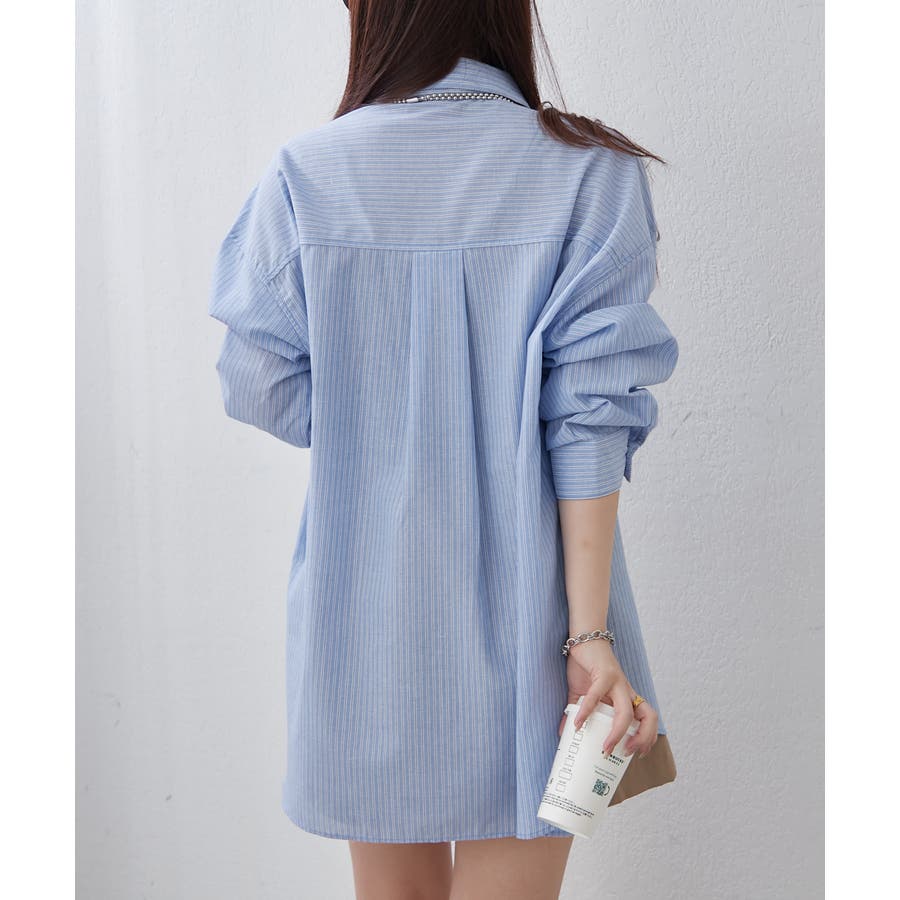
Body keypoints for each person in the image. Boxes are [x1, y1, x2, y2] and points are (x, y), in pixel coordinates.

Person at [208, 2, 680, 898]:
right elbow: (590, 417)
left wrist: (386, 423)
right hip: (543, 609)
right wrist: (588, 634)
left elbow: (257, 381)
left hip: (366, 607)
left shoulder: (309, 173)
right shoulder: (591, 172)